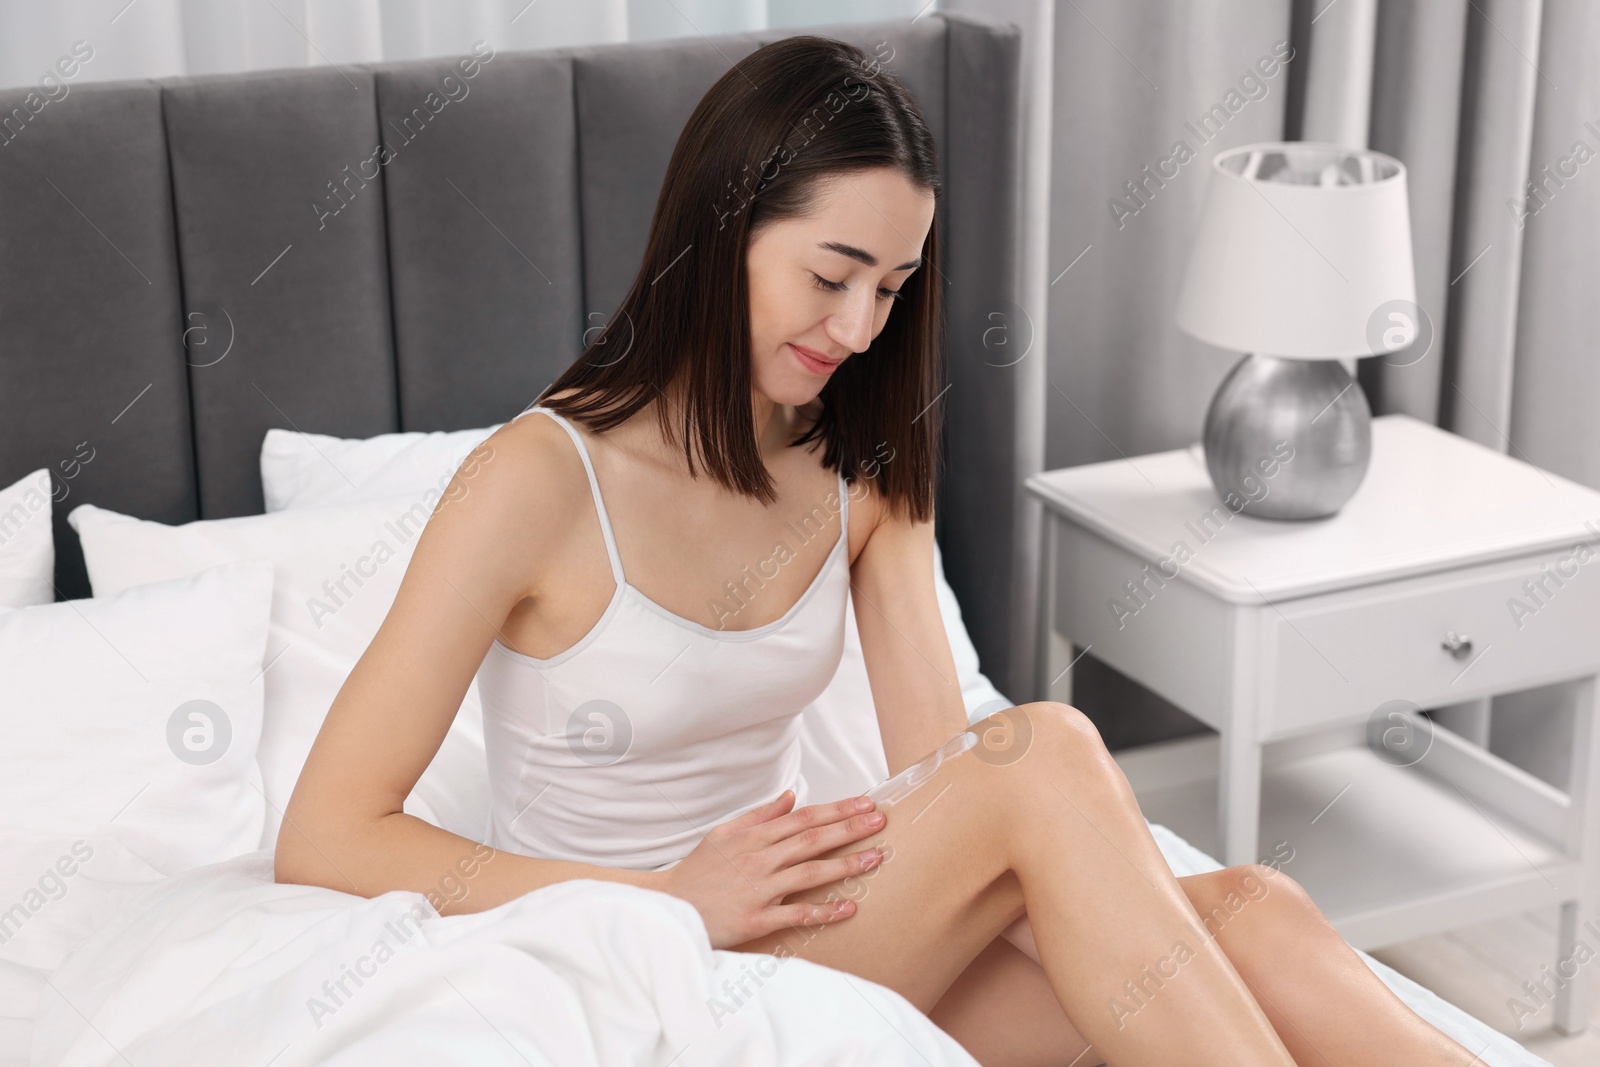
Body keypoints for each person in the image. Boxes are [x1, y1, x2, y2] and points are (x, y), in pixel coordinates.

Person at [276, 34, 1481, 1066]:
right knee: (1047, 750)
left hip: (841, 926)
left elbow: (941, 776)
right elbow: (329, 832)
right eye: (831, 274)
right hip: (646, 950)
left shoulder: (854, 471)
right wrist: (664, 895)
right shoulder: (533, 480)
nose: (859, 328)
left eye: (893, 288)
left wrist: (1113, 910)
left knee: (1252, 907)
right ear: (723, 232)